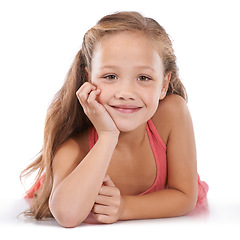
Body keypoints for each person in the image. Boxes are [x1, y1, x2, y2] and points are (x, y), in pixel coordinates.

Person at [21, 11, 208, 228]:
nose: (126, 92)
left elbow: (185, 196)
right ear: (88, 78)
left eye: (144, 78)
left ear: (164, 85)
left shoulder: (172, 114)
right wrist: (108, 135)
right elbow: (67, 215)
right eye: (110, 77)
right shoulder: (74, 149)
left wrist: (124, 208)